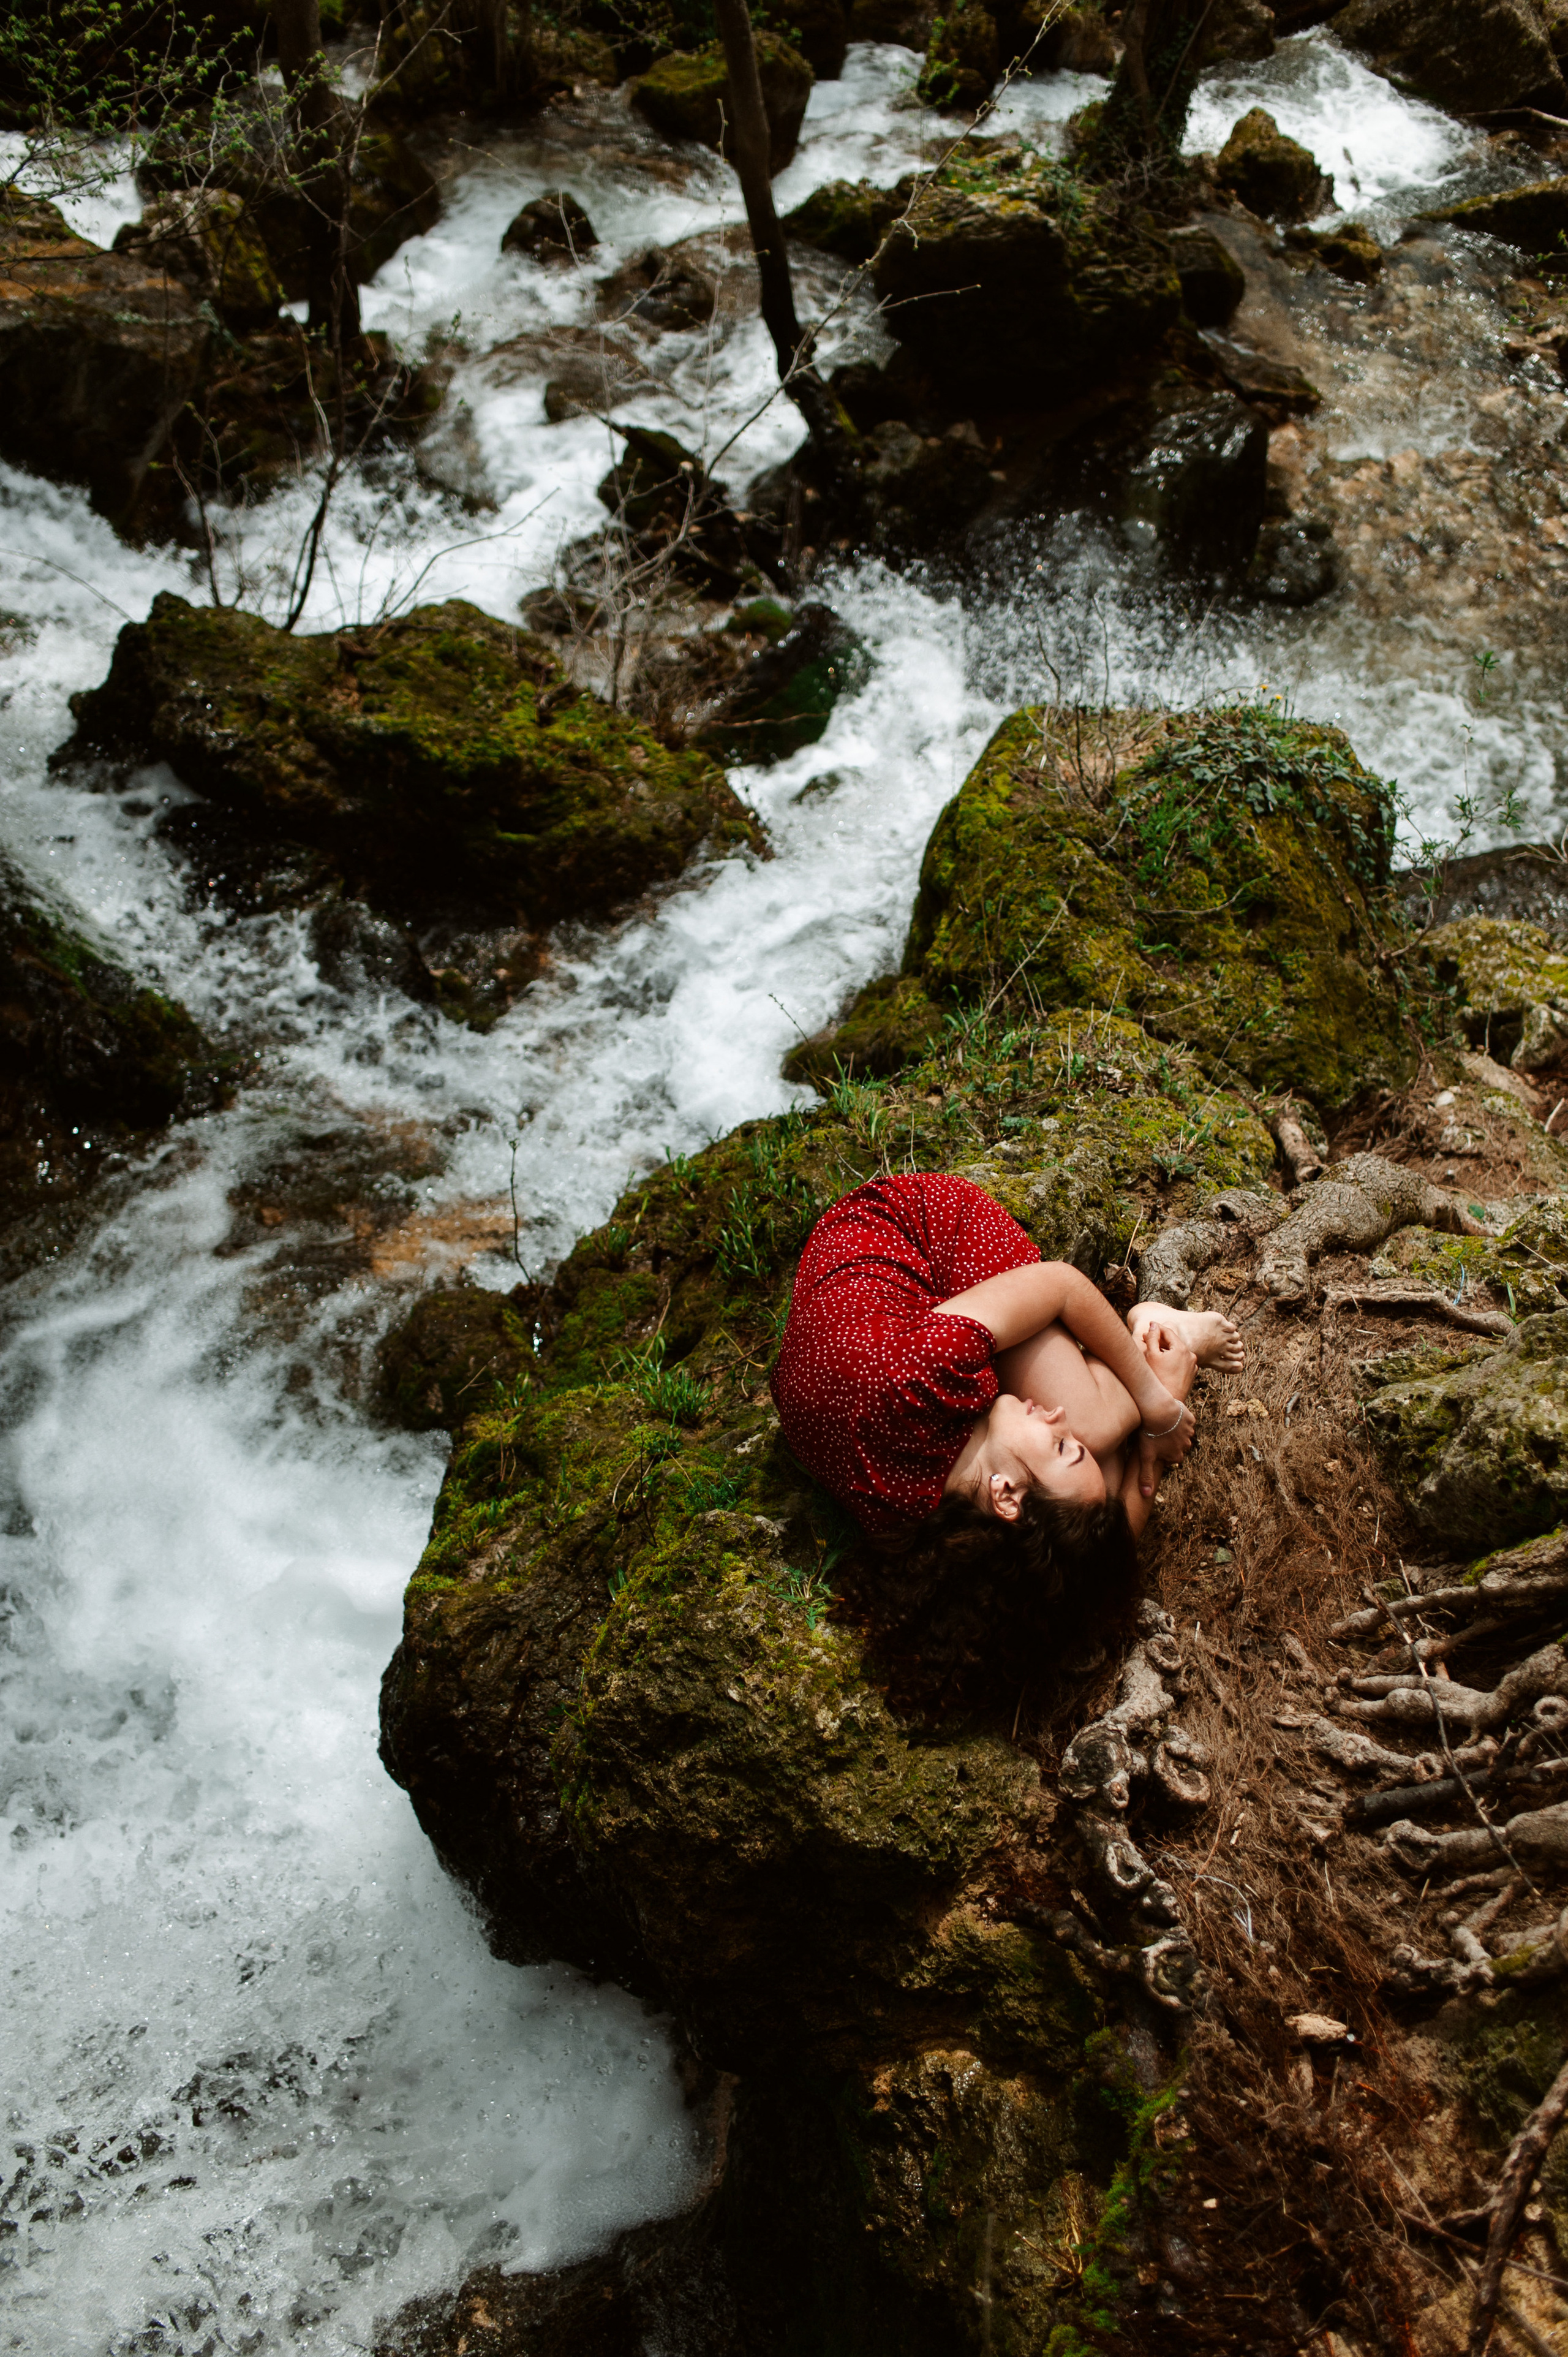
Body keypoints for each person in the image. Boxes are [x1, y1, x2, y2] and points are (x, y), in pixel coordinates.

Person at [771, 1172, 1243, 1587]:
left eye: (1062, 1446)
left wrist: (1157, 1408)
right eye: (1065, 1444)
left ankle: (1152, 1337)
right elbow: (1095, 1558)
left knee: (1094, 1430)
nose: (1057, 1420)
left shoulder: (930, 1370)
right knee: (1088, 1451)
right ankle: (1157, 1341)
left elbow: (1062, 1283)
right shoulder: (948, 1523)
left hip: (908, 1275)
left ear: (1005, 1495)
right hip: (908, 1271)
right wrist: (1157, 1430)